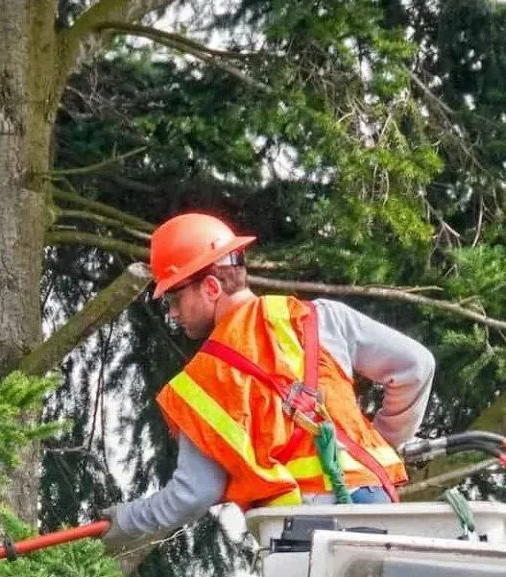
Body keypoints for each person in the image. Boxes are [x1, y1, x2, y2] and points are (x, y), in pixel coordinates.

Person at [101, 213, 435, 549]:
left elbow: (194, 492)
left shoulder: (206, 379)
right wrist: (383, 441)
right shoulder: (319, 317)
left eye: (174, 298)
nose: (172, 313)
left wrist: (127, 520)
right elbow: (416, 366)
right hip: (378, 505)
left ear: (211, 287)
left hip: (305, 529)